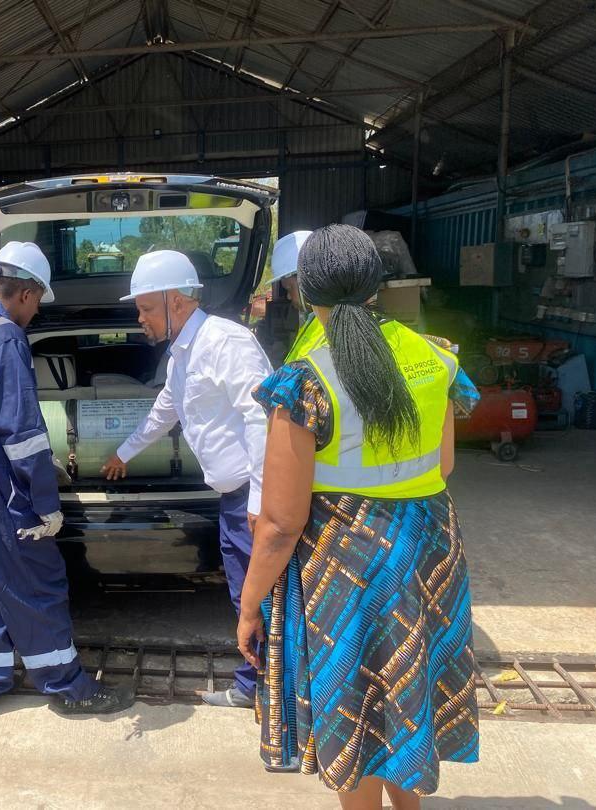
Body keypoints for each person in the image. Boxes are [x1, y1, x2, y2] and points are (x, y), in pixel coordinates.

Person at [236, 225, 480, 809]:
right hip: (428, 552)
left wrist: (248, 607)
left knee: (357, 709)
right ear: (377, 286)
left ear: (304, 291)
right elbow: (442, 465)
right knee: (406, 696)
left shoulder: (305, 382)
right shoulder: (437, 357)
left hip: (348, 563)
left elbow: (280, 524)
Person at [0, 241, 135, 716]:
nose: (36, 313)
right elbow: (22, 432)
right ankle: (66, 686)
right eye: (38, 302)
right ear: (26, 293)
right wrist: (45, 502)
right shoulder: (5, 338)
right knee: (35, 576)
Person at [101, 249, 273, 710]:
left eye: (146, 308)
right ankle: (254, 685)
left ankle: (271, 693)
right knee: (245, 597)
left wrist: (260, 501)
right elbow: (166, 409)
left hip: (251, 500)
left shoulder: (225, 342)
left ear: (175, 301)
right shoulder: (181, 355)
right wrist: (123, 452)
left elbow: (262, 417)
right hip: (233, 501)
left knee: (263, 600)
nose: (140, 318)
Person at [270, 230, 325, 363]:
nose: (289, 297)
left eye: (289, 288)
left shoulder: (333, 325)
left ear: (306, 280)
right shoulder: (315, 320)